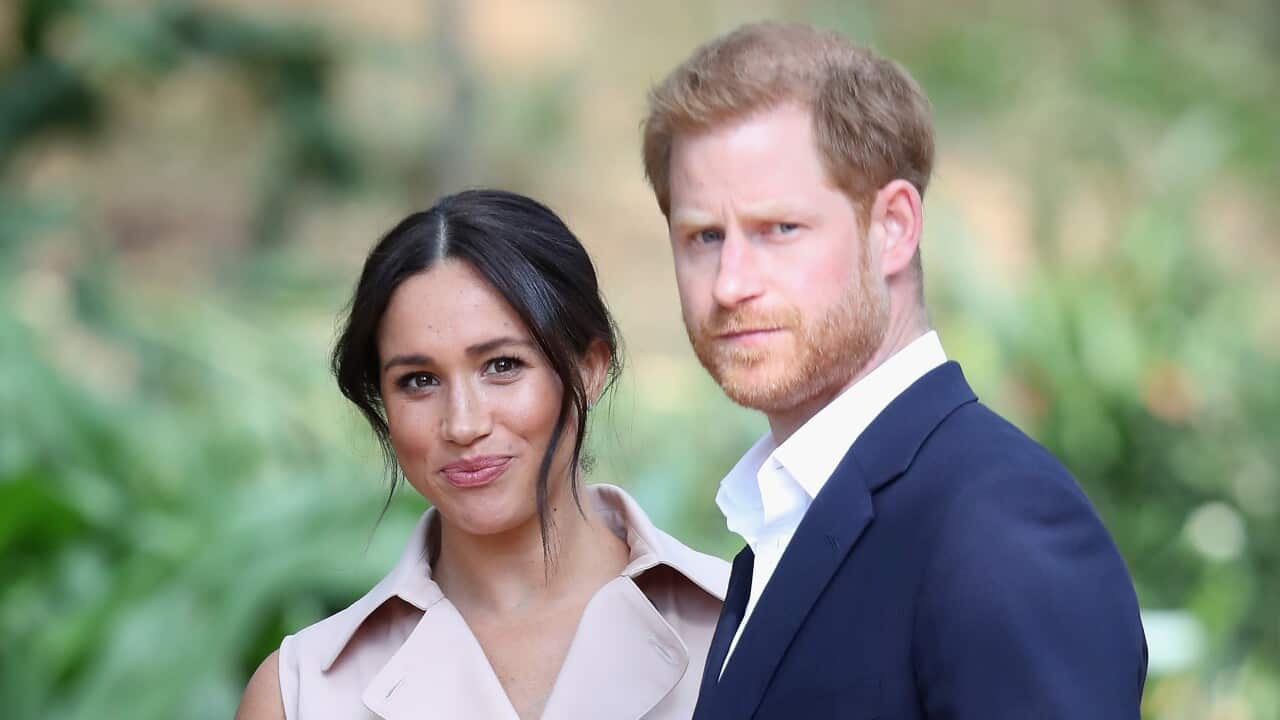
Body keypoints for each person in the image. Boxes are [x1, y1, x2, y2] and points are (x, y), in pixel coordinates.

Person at [640, 22, 1148, 719]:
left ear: (894, 228)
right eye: (704, 237)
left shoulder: (997, 523)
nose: (730, 284)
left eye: (778, 229)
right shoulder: (785, 520)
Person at [235, 189, 728, 720]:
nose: (464, 424)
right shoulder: (301, 693)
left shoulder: (750, 625)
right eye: (419, 381)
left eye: (502, 366)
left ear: (588, 369)